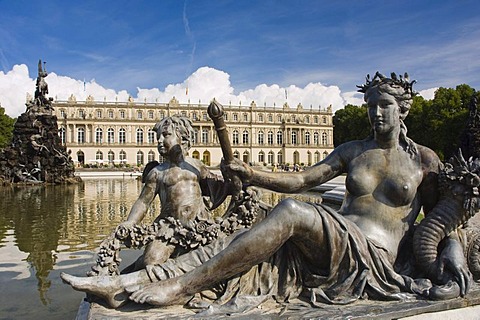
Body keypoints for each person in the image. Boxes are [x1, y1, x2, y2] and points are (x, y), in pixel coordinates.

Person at [62, 73, 471, 310]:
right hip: (332, 240)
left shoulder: (425, 161)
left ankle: (178, 287)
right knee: (244, 233)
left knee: (291, 212)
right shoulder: (353, 150)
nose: (375, 113)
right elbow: (298, 181)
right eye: (370, 105)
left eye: (384, 105)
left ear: (403, 109)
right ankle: (137, 280)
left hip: (372, 256)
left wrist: (451, 262)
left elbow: (438, 226)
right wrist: (253, 175)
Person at [98, 115, 230, 274]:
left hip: (199, 224)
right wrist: (130, 222)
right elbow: (143, 202)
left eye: (166, 135)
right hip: (169, 228)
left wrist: (231, 179)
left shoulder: (196, 166)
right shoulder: (157, 173)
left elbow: (216, 186)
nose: (159, 140)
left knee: (222, 256)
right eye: (158, 136)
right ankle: (133, 274)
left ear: (184, 138)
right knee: (150, 262)